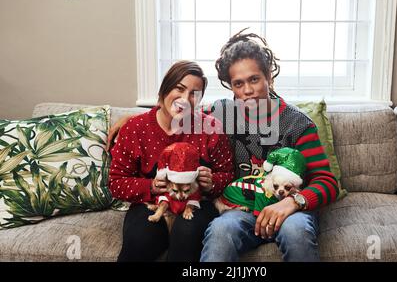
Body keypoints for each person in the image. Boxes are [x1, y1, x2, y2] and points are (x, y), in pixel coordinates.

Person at [108, 30, 339, 262]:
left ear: (269, 76)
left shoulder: (297, 123)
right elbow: (181, 111)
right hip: (241, 211)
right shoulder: (224, 113)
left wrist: (292, 203)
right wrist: (131, 119)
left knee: (296, 232)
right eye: (239, 84)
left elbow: (327, 182)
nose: (247, 90)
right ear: (231, 87)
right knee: (219, 231)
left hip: (290, 210)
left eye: (254, 79)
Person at [108, 60, 234, 262]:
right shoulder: (135, 128)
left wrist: (212, 183)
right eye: (180, 89)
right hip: (150, 204)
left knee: (187, 234)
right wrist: (151, 186)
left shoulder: (210, 128)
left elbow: (228, 175)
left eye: (194, 93)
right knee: (140, 240)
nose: (185, 99)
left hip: (196, 204)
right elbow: (116, 183)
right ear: (164, 90)